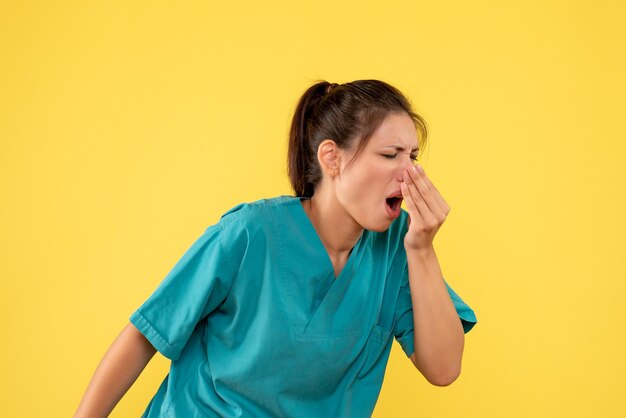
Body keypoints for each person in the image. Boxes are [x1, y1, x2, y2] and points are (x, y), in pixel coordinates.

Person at [74, 79, 478, 417]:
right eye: (390, 155)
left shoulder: (398, 247)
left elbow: (443, 369)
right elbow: (147, 334)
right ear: (331, 159)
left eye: (413, 156)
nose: (410, 173)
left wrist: (423, 250)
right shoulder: (250, 233)